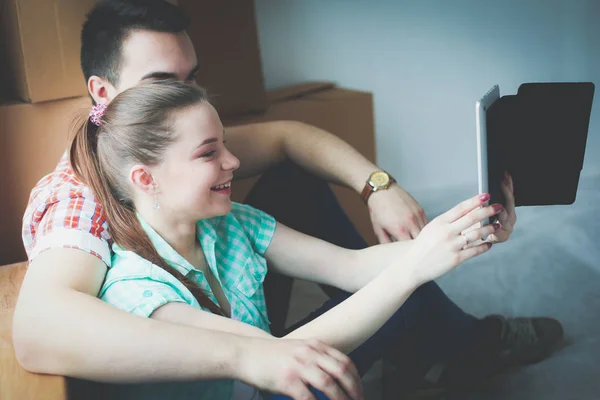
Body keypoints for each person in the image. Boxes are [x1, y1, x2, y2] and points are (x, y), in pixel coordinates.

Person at [13, 0, 563, 397]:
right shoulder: (82, 207)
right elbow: (38, 331)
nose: (186, 96)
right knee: (392, 299)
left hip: (243, 317)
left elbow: (286, 140)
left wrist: (403, 198)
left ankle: (441, 341)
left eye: (191, 80)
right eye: (162, 83)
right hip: (216, 352)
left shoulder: (218, 196)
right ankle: (453, 343)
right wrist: (253, 353)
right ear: (104, 97)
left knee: (345, 242)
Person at [70, 79, 503, 400]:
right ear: (146, 179)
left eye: (225, 144)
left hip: (271, 376)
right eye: (209, 153)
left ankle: (437, 352)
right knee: (395, 292)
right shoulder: (140, 291)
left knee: (395, 294)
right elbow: (280, 357)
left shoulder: (229, 222)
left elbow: (349, 267)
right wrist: (413, 267)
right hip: (269, 374)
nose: (234, 161)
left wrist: (468, 229)